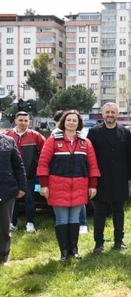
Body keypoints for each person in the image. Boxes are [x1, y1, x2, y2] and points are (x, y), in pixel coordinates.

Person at [37, 110, 100, 261]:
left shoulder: (85, 142)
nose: (71, 123)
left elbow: (93, 166)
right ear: (63, 122)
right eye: (68, 120)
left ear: (79, 124)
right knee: (62, 220)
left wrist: (93, 185)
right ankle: (64, 253)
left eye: (74, 120)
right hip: (57, 186)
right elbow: (43, 163)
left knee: (74, 219)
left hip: (79, 186)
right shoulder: (52, 140)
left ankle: (74, 251)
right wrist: (44, 185)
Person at [86, 103, 131, 253]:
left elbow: (129, 155)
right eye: (107, 112)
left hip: (121, 177)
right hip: (101, 178)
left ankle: (119, 241)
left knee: (119, 211)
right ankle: (98, 243)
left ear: (118, 114)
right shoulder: (94, 132)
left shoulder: (125, 132)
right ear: (103, 114)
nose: (110, 114)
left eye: (113, 112)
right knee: (100, 211)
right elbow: (89, 156)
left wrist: (130, 176)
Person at [5, 111, 45, 233]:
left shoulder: (36, 136)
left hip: (29, 173)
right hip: (11, 174)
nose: (23, 123)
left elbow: (45, 152)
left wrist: (38, 167)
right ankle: (12, 222)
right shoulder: (8, 135)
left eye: (26, 121)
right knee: (13, 199)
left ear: (29, 122)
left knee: (29, 198)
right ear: (15, 121)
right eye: (21, 120)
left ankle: (30, 222)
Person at [0, 134, 27, 267]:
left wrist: (22, 186)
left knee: (4, 227)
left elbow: (18, 165)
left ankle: (3, 258)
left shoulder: (8, 141)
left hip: (6, 190)